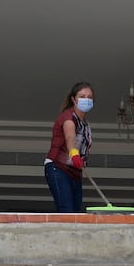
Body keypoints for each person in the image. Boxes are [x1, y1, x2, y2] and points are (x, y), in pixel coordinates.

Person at [44, 81, 94, 212]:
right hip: (58, 167)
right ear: (73, 99)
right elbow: (70, 136)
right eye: (82, 96)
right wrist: (74, 153)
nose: (86, 100)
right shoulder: (68, 117)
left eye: (89, 97)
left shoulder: (85, 124)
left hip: (75, 171)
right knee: (67, 210)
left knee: (76, 213)